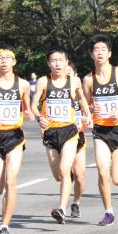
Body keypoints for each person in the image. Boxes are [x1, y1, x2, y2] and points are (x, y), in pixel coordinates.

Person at [31, 46, 92, 224]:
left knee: (65, 171)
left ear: (67, 63)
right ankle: (66, 183)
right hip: (50, 133)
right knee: (58, 175)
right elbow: (34, 104)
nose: (57, 64)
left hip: (70, 131)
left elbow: (81, 99)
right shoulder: (43, 81)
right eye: (54, 61)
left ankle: (62, 209)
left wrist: (87, 115)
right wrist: (39, 117)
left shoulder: (74, 81)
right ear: (49, 63)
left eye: (61, 60)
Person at [83, 34, 118, 226]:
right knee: (101, 169)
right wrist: (90, 111)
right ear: (91, 54)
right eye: (96, 50)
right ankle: (109, 212)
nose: (99, 53)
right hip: (100, 131)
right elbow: (85, 104)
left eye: (103, 50)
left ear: (109, 53)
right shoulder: (88, 80)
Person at [0, 44, 33, 234]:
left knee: (11, 183)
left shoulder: (23, 85)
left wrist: (29, 111)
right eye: (0, 58)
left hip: (14, 137)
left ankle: (4, 226)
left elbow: (27, 106)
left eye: (8, 57)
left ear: (14, 61)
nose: (4, 61)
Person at [65, 61, 86, 218]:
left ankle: (76, 203)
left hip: (78, 137)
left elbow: (89, 111)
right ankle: (62, 206)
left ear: (75, 76)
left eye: (69, 75)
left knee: (79, 176)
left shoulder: (80, 96)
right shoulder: (53, 94)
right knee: (63, 174)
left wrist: (88, 118)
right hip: (62, 138)